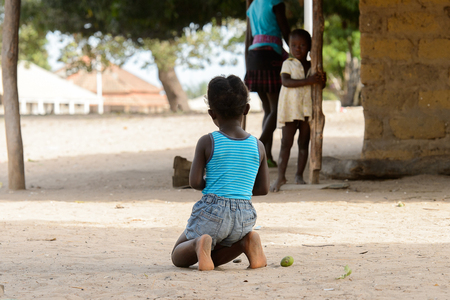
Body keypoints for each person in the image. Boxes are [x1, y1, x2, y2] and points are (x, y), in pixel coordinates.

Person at [171, 75, 270, 271]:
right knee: (214, 255)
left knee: (177, 256)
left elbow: (195, 182)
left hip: (212, 213)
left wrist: (214, 183)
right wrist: (239, 187)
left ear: (211, 113)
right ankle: (246, 242)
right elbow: (263, 189)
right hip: (244, 217)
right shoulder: (258, 146)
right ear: (246, 110)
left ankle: (198, 243)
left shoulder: (208, 141)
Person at [270, 29, 326, 192]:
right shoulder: (288, 63)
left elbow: (319, 86)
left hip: (306, 110)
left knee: (304, 143)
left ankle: (299, 175)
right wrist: (309, 80)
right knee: (286, 143)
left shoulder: (313, 65)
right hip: (290, 110)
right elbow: (286, 82)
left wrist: (322, 80)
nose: (298, 48)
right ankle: (281, 176)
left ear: (309, 47)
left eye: (302, 45)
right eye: (294, 45)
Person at [244, 0, 290, 168]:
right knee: (277, 110)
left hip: (254, 57)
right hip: (270, 56)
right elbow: (285, 30)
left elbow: (249, 38)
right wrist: (296, 53)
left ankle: (267, 157)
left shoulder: (253, 6)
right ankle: (258, 147)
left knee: (268, 110)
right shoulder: (275, 3)